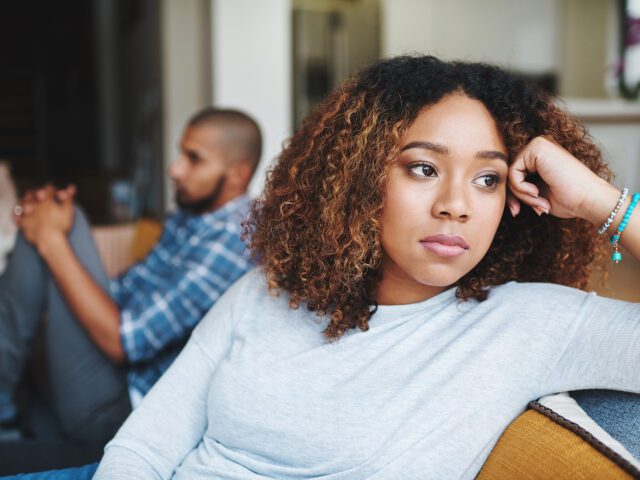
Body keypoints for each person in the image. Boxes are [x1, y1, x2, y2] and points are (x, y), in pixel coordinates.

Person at [91, 56, 640, 479]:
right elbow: (143, 447)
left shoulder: (529, 325)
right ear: (358, 181)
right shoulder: (266, 290)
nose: (457, 204)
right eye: (424, 168)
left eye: (487, 178)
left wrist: (602, 202)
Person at [0, 108, 262, 468]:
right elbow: (121, 289)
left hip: (122, 406)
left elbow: (125, 342)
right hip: (113, 371)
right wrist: (47, 228)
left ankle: (2, 406)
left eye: (193, 159)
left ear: (237, 174)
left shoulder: (231, 241)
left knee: (62, 223)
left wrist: (52, 240)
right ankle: (5, 406)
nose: (175, 169)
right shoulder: (192, 219)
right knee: (57, 215)